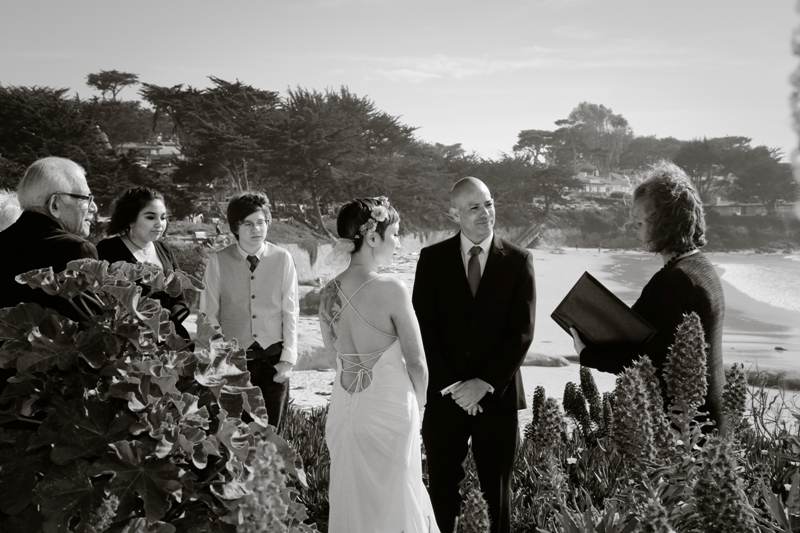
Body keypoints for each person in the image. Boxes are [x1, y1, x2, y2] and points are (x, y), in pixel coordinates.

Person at [412, 177, 536, 533]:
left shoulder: (518, 260)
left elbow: (522, 333)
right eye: (474, 207)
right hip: (445, 397)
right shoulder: (431, 259)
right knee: (441, 493)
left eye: (489, 204)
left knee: (497, 495)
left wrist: (484, 383)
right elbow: (423, 328)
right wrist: (454, 385)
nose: (485, 213)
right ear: (455, 213)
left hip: (496, 397)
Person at [571, 161, 727, 433]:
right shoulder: (701, 267)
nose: (633, 227)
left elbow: (649, 361)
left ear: (666, 223)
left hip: (687, 424)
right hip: (709, 413)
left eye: (640, 221)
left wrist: (587, 354)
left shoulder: (673, 281)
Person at [319, 197, 439, 533]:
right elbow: (416, 362)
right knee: (396, 502)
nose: (399, 242)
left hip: (345, 410)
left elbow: (334, 358)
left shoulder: (328, 291)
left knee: (351, 502)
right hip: (389, 409)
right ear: (372, 238)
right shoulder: (392, 288)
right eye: (395, 234)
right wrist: (422, 403)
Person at [199, 192, 298, 429]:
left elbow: (291, 310)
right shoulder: (218, 260)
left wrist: (288, 360)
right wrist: (212, 364)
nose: (257, 229)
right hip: (232, 363)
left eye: (261, 222)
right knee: (234, 436)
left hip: (273, 360)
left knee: (271, 436)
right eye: (248, 224)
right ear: (236, 227)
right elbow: (208, 314)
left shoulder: (283, 258)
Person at [0, 157, 98, 394]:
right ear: (55, 204)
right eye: (86, 199)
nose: (93, 208)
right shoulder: (75, 250)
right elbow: (92, 331)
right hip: (54, 393)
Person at [96, 187, 192, 342]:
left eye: (163, 217)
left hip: (166, 339)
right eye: (150, 217)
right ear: (131, 219)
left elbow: (179, 298)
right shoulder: (108, 250)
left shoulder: (164, 249)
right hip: (127, 342)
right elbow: (101, 300)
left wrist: (169, 322)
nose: (159, 224)